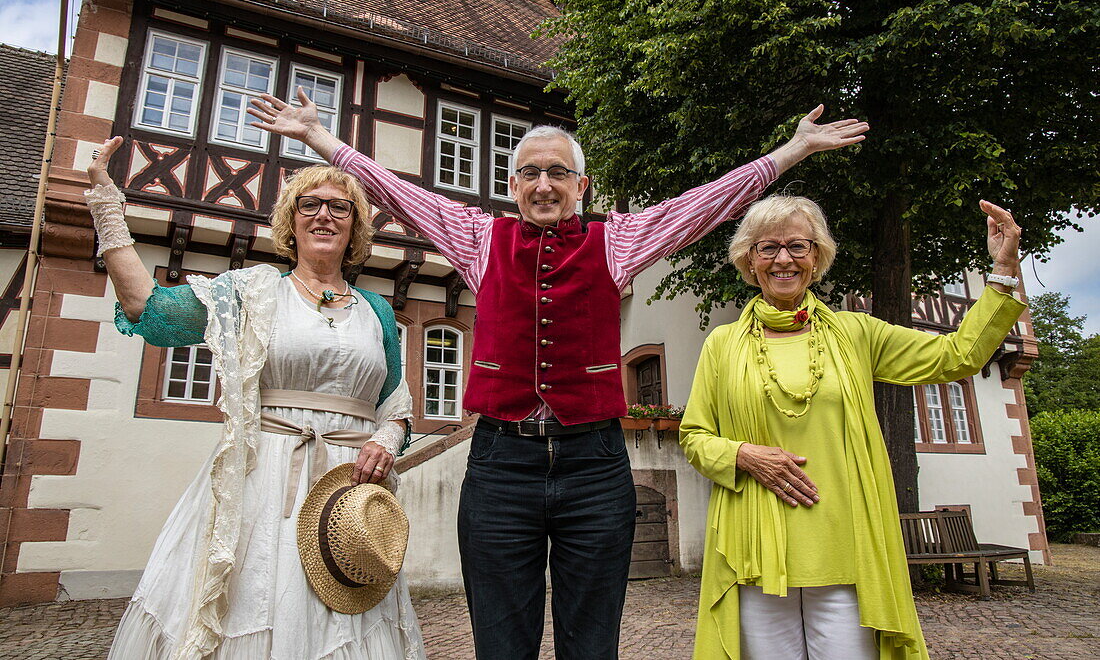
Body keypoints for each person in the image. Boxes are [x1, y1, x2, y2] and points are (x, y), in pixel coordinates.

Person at [248, 90, 868, 659]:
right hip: (500, 466)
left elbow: (704, 204)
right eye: (531, 174)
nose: (544, 185)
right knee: (501, 643)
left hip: (594, 466)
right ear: (513, 185)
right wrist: (320, 139)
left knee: (592, 644)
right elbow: (395, 192)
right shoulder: (480, 240)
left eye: (558, 173)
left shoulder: (617, 242)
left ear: (582, 186)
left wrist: (791, 152)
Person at [83, 137, 427, 659]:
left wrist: (385, 439)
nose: (324, 216)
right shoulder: (251, 292)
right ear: (290, 223)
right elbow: (144, 305)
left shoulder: (378, 311)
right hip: (261, 479)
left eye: (340, 207)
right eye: (309, 206)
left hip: (349, 493)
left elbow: (396, 404)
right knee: (257, 601)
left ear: (355, 228)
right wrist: (107, 204)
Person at [679, 194, 1026, 659]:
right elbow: (695, 436)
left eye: (798, 246)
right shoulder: (721, 344)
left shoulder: (856, 332)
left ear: (817, 257)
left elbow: (957, 355)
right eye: (768, 248)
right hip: (754, 547)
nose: (784, 258)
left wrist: (1001, 274)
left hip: (844, 544)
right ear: (749, 260)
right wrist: (743, 455)